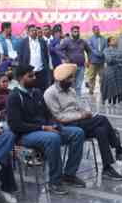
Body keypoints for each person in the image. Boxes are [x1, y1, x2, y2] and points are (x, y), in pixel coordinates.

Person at [45, 64, 122, 180]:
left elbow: (82, 105)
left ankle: (107, 168)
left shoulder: (71, 91)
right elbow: (59, 117)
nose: (73, 80)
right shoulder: (50, 93)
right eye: (70, 78)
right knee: (102, 119)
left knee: (101, 130)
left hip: (81, 121)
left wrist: (87, 113)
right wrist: (81, 115)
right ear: (62, 80)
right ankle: (119, 150)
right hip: (67, 125)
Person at [7, 64, 86, 195]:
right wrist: (43, 127)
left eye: (34, 75)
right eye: (30, 76)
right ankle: (54, 182)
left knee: (77, 133)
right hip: (25, 135)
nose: (34, 78)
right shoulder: (14, 97)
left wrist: (54, 125)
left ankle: (69, 174)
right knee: (52, 138)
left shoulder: (37, 93)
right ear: (21, 78)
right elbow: (16, 126)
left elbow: (47, 114)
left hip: (44, 130)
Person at [56, 25, 92, 96]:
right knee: (71, 85)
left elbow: (89, 51)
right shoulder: (67, 41)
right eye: (75, 31)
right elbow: (58, 50)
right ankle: (71, 100)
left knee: (78, 85)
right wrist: (65, 58)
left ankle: (77, 101)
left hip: (81, 66)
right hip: (71, 67)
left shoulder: (83, 42)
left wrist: (89, 60)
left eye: (78, 31)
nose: (77, 33)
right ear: (71, 32)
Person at [17, 24, 51, 91]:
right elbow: (20, 57)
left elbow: (46, 56)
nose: (34, 32)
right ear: (28, 32)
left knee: (43, 89)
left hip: (41, 71)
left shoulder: (42, 41)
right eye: (32, 31)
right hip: (29, 72)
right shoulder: (23, 42)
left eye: (35, 30)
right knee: (30, 89)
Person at [101, 36, 122, 105]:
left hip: (119, 70)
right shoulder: (106, 50)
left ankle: (116, 101)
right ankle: (109, 100)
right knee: (110, 85)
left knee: (119, 86)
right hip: (110, 70)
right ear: (109, 42)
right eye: (113, 40)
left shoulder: (119, 50)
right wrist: (117, 59)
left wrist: (114, 58)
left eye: (115, 39)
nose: (115, 41)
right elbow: (109, 60)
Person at [86, 25, 107, 95]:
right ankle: (91, 89)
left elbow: (106, 48)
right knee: (92, 76)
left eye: (98, 29)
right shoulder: (90, 39)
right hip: (93, 61)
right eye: (95, 30)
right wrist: (98, 53)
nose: (97, 31)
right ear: (93, 31)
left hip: (101, 61)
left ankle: (102, 90)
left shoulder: (104, 39)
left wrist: (102, 53)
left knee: (102, 76)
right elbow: (91, 49)